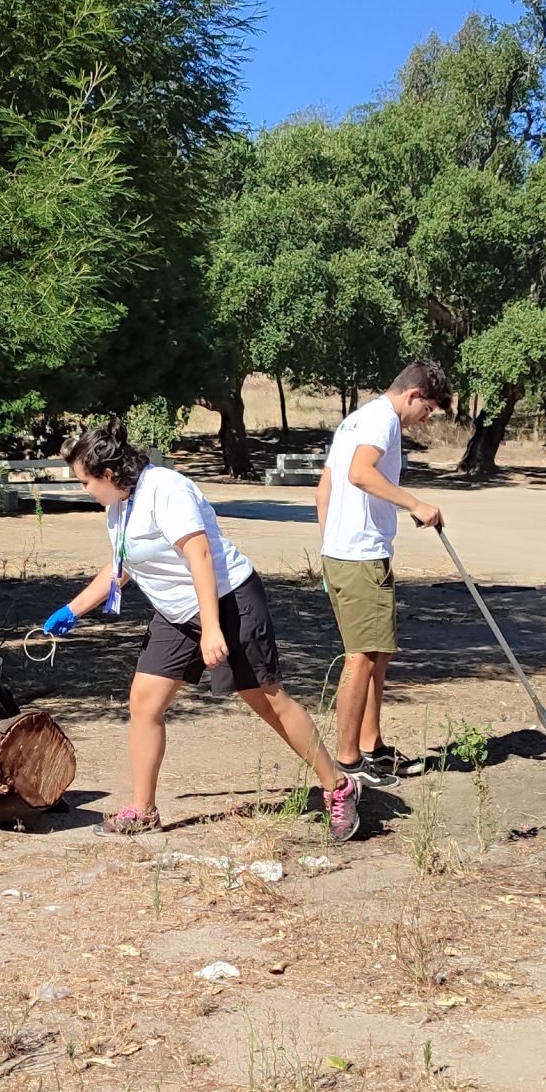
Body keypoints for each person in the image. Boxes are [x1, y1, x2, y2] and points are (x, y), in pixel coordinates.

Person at [43, 426, 363, 841]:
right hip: (176, 612)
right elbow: (121, 567)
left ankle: (338, 785)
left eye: (84, 481)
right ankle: (143, 810)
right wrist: (72, 610)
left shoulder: (166, 489)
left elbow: (200, 557)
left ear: (107, 472)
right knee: (144, 702)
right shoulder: (119, 505)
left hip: (228, 599)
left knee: (265, 699)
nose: (83, 489)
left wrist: (212, 629)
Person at [315, 359, 453, 782]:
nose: (424, 419)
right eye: (427, 410)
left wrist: (328, 546)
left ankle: (371, 745)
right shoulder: (383, 422)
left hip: (349, 554)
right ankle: (349, 761)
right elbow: (358, 474)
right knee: (361, 657)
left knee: (379, 651)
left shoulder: (357, 420)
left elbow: (326, 485)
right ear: (412, 395)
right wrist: (415, 504)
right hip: (359, 557)